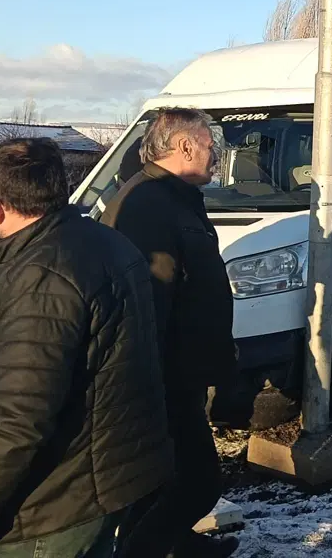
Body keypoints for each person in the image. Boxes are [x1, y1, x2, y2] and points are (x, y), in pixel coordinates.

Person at [0, 138, 172, 557]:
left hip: (50, 506)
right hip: (99, 480)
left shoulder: (42, 276)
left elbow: (16, 424)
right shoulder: (102, 242)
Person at [100, 108, 238, 558]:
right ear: (184, 147)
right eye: (209, 146)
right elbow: (147, 305)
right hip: (163, 378)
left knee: (162, 480)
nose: (215, 155)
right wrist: (149, 385)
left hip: (181, 372)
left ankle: (180, 547)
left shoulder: (173, 198)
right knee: (200, 483)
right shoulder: (149, 205)